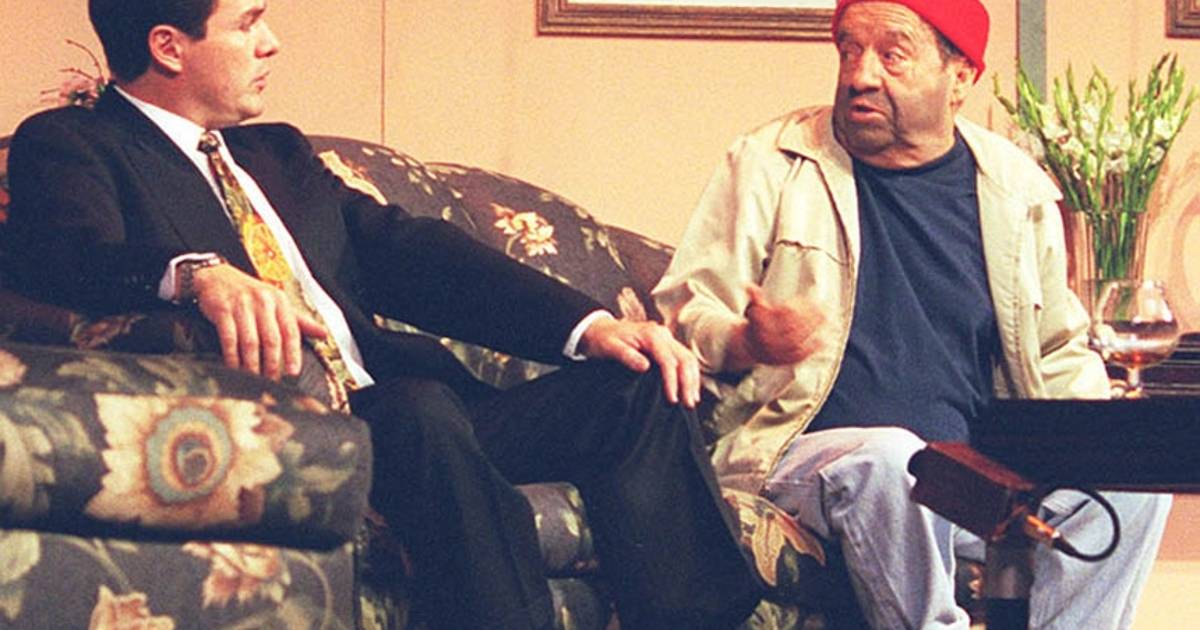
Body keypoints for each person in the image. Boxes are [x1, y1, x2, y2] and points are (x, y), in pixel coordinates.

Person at [5, 1, 763, 628]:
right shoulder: (73, 144)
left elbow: (414, 256)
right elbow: (68, 254)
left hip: (425, 420)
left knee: (634, 382)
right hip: (303, 423)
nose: (271, 43)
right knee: (418, 409)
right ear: (169, 46)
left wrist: (593, 327)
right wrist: (197, 274)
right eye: (248, 22)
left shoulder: (274, 154)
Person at [653, 0, 1172, 628]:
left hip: (969, 480)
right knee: (893, 457)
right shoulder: (771, 162)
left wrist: (1106, 444)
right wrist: (747, 341)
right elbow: (687, 314)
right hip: (802, 454)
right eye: (849, 49)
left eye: (892, 54)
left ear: (960, 76)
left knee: (1135, 485)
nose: (860, 75)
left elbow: (1057, 351)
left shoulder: (1015, 188)